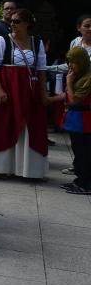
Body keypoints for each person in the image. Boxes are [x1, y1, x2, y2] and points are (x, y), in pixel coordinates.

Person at [0, 8, 48, 179]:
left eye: (16, 21)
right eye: (11, 21)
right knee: (8, 123)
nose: (12, 24)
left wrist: (43, 94)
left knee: (32, 124)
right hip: (10, 87)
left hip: (30, 89)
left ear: (27, 24)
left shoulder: (36, 42)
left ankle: (31, 170)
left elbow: (42, 69)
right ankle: (5, 168)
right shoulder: (3, 40)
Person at [61, 47, 91, 194]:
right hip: (76, 120)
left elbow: (75, 100)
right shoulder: (79, 76)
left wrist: (68, 82)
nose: (71, 66)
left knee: (84, 152)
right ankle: (79, 180)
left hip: (85, 121)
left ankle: (85, 184)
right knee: (78, 151)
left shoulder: (87, 78)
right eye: (69, 62)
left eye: (74, 62)